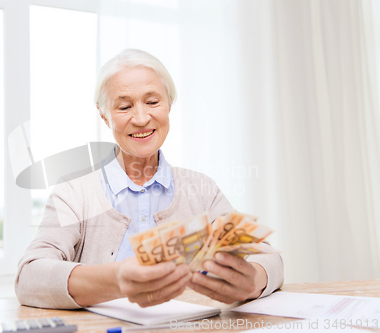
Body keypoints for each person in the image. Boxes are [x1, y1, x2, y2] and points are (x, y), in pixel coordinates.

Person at [15, 49, 284, 309]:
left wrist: (253, 281)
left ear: (169, 105)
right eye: (124, 106)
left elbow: (269, 258)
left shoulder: (201, 189)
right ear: (104, 116)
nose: (142, 118)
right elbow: (29, 276)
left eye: (153, 102)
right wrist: (116, 279)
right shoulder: (74, 192)